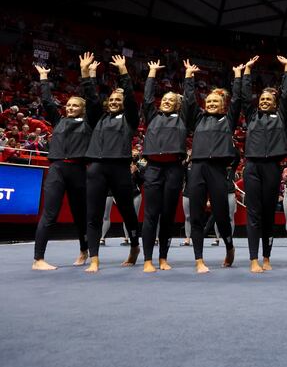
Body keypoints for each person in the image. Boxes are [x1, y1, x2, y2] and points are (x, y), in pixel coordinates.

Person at [32, 54, 98, 270]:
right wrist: (43, 79)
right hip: (57, 169)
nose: (69, 108)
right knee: (49, 213)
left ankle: (83, 250)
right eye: (68, 105)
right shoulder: (58, 121)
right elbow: (47, 101)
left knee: (81, 216)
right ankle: (38, 259)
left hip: (79, 170)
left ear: (83, 109)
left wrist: (85, 73)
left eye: (74, 106)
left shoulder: (89, 122)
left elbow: (92, 98)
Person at [184, 60, 245, 273]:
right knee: (195, 214)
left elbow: (237, 100)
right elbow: (190, 102)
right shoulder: (198, 120)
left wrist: (238, 76)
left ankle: (229, 246)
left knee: (221, 214)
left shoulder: (228, 121)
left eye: (215, 102)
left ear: (222, 105)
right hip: (198, 168)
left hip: (218, 170)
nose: (210, 104)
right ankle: (199, 259)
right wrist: (189, 78)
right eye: (208, 102)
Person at [84, 54, 143, 272]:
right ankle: (94, 258)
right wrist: (88, 74)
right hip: (97, 167)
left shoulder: (130, 119)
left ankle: (135, 246)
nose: (115, 102)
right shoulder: (98, 118)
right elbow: (91, 98)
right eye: (112, 100)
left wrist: (124, 72)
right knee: (94, 213)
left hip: (119, 168)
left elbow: (129, 98)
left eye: (119, 100)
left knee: (128, 211)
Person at [140, 59, 194, 273]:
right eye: (164, 98)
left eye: (171, 99)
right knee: (151, 214)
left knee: (168, 214)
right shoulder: (152, 116)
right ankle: (147, 259)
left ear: (177, 105)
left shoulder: (182, 119)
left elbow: (190, 101)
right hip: (153, 169)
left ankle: (163, 257)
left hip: (173, 169)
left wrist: (189, 76)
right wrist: (151, 73)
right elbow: (146, 99)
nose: (166, 101)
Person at [242, 55, 287, 273]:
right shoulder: (252, 115)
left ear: (274, 103)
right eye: (261, 99)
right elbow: (244, 98)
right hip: (252, 167)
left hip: (272, 168)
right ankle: (253, 258)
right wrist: (246, 72)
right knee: (253, 213)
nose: (264, 101)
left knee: (268, 214)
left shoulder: (281, 117)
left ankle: (266, 257)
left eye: (268, 100)